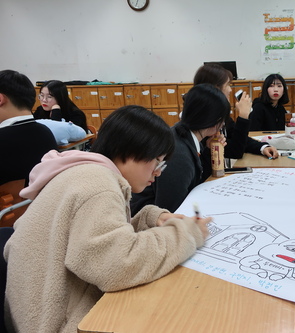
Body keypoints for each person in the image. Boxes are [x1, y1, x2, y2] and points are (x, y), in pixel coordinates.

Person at [4, 105, 211, 333]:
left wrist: (149, 218)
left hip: (37, 307)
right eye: (157, 161)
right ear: (129, 151)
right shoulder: (99, 185)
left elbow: (92, 235)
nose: (158, 172)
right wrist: (187, 235)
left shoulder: (85, 169)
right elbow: (116, 264)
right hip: (53, 321)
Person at [130, 84, 230, 214]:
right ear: (215, 122)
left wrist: (209, 150)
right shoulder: (179, 155)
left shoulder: (183, 135)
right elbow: (171, 210)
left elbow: (197, 182)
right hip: (149, 219)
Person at [193, 64, 279, 172]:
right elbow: (235, 151)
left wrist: (262, 148)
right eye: (228, 84)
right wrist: (243, 117)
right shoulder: (204, 119)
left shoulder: (219, 114)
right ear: (215, 88)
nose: (230, 90)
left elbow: (238, 138)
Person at [0, 69, 57, 186]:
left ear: (0, 99)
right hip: (40, 202)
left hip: (9, 204)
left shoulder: (3, 138)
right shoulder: (46, 133)